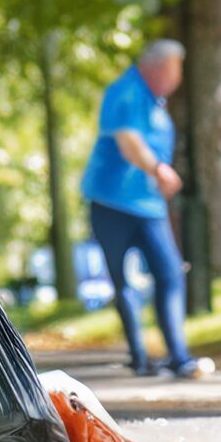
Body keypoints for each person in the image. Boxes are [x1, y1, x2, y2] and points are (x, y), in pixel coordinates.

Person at [79, 39, 210, 380]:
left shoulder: (156, 101)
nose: (177, 79)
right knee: (122, 281)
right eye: (174, 71)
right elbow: (129, 143)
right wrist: (158, 169)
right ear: (157, 67)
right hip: (110, 202)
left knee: (168, 274)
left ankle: (179, 357)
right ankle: (140, 357)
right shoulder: (124, 92)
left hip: (149, 206)